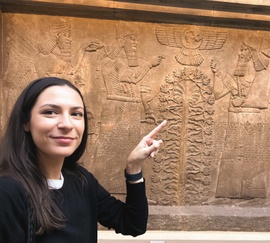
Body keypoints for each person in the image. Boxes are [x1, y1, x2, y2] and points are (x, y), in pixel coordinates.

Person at [0, 77, 167, 242]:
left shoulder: (81, 180)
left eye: (76, 114)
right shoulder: (8, 191)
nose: (67, 124)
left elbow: (132, 224)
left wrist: (134, 167)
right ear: (25, 122)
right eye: (50, 112)